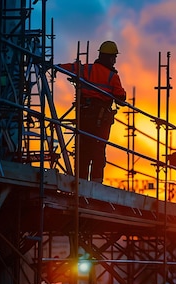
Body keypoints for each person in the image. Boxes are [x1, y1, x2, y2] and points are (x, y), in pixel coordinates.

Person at [59, 40, 127, 183]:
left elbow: (70, 68)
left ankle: (80, 181)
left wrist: (56, 66)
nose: (114, 61)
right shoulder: (112, 77)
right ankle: (96, 184)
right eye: (114, 57)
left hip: (84, 116)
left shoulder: (86, 69)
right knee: (98, 151)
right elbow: (121, 97)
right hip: (100, 120)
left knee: (83, 150)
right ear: (109, 58)